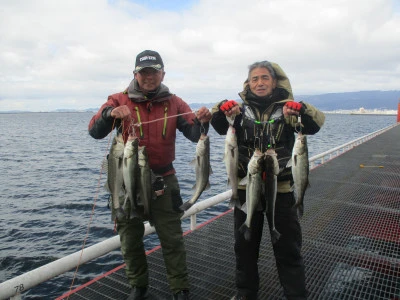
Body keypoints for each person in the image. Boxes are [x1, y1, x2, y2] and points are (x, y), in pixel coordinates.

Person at [88, 50, 212, 300]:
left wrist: (202, 121)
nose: (149, 77)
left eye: (154, 72)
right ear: (135, 74)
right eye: (144, 72)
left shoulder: (175, 103)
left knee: (173, 239)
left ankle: (180, 288)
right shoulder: (118, 99)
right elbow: (94, 130)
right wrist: (109, 114)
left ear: (162, 74)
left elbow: (192, 133)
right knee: (130, 239)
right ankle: (138, 286)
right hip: (127, 181)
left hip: (164, 181)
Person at [210, 61, 325, 300]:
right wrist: (222, 107)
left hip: (281, 190)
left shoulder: (288, 111)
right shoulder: (239, 112)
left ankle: (296, 296)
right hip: (245, 188)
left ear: (275, 82)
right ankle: (246, 295)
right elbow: (219, 126)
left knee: (288, 250)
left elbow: (315, 124)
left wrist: (301, 109)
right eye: (254, 79)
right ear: (248, 83)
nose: (260, 82)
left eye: (265, 78)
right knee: (244, 250)